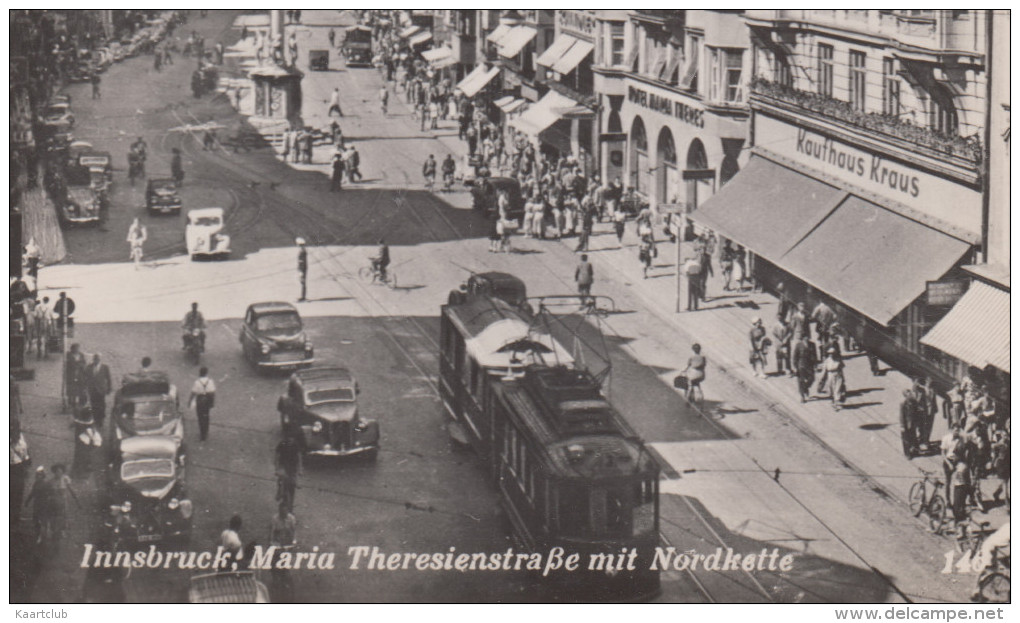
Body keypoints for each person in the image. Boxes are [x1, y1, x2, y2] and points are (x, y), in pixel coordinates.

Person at [275, 432, 302, 513]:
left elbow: (299, 457)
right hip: (283, 465)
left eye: (292, 438)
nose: (290, 440)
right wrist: (277, 468)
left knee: (292, 486)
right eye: (289, 438)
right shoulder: (282, 444)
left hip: (292, 468)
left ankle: (290, 509)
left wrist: (300, 469)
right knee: (282, 478)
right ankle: (279, 489)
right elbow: (277, 455)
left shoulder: (296, 445)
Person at [189, 366, 216, 442]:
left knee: (200, 417)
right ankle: (206, 431)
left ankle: (202, 434)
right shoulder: (210, 381)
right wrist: (212, 402)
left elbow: (193, 393)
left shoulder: (197, 382)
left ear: (200, 373)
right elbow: (213, 392)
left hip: (200, 401)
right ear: (206, 373)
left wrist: (190, 401)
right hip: (207, 400)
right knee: (206, 415)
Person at [84, 354, 112, 428]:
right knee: (93, 404)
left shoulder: (105, 367)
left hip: (101, 390)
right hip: (92, 389)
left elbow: (108, 379)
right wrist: (86, 386)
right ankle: (95, 419)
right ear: (93, 360)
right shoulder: (89, 367)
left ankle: (101, 419)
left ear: (100, 360)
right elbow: (85, 377)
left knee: (101, 405)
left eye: (97, 359)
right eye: (95, 359)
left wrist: (109, 388)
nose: (96, 361)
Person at [10, 431, 31, 527]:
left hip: (19, 469)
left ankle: (15, 517)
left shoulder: (20, 439)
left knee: (18, 493)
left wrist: (26, 466)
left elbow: (26, 454)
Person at [792, 333, 816, 403]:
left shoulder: (812, 344)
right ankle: (802, 396)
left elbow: (815, 355)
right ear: (802, 338)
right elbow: (795, 356)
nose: (807, 338)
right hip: (801, 364)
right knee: (801, 381)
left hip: (810, 364)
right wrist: (795, 366)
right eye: (805, 337)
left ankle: (805, 388)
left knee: (812, 378)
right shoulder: (798, 345)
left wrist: (815, 364)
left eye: (808, 337)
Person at [65, 343, 88, 411]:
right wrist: (78, 364)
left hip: (80, 375)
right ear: (72, 349)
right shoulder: (68, 355)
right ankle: (71, 402)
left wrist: (79, 365)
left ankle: (81, 402)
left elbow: (84, 363)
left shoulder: (81, 355)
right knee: (72, 388)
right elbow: (70, 364)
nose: (77, 350)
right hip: (71, 375)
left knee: (81, 387)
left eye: (78, 348)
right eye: (76, 348)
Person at [899, 389, 919, 458]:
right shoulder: (903, 403)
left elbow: (916, 412)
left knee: (913, 436)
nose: (910, 394)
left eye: (910, 393)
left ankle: (913, 450)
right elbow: (901, 415)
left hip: (913, 423)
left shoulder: (914, 401)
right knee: (906, 439)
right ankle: (907, 454)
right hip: (906, 424)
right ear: (906, 396)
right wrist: (902, 426)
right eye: (909, 394)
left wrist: (917, 422)